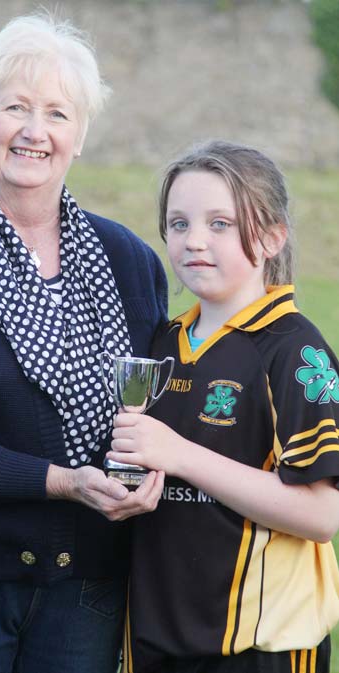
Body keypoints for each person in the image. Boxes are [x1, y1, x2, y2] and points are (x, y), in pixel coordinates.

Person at [0, 12, 167, 673]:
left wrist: (154, 472)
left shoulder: (131, 261)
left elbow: (157, 413)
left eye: (58, 114)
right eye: (15, 107)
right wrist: (64, 482)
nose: (35, 132)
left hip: (91, 583)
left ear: (80, 136)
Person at [107, 140, 339, 673]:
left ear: (273, 235)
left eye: (220, 224)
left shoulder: (294, 351)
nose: (195, 241)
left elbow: (321, 515)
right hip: (154, 640)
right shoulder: (162, 343)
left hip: (260, 651)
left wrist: (180, 455)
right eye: (179, 223)